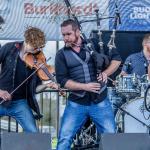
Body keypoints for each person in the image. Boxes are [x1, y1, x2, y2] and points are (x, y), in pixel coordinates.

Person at [55, 19, 122, 150]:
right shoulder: (61, 54)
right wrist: (84, 87)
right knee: (64, 139)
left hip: (100, 102)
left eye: (68, 34)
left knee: (111, 139)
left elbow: (117, 60)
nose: (65, 38)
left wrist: (106, 73)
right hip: (76, 104)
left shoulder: (95, 44)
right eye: (63, 35)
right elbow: (62, 80)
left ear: (78, 32)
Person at [0, 27, 57, 132]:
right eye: (35, 47)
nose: (38, 50)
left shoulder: (37, 61)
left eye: (40, 48)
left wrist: (47, 85)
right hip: (1, 99)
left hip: (20, 103)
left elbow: (35, 89)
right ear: (26, 41)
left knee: (33, 132)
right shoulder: (9, 48)